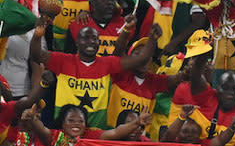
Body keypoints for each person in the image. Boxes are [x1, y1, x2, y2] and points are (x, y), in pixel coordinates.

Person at [31, 18, 161, 129]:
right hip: (63, 129)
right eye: (85, 38)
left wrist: (152, 40)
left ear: (99, 43)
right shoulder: (63, 61)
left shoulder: (107, 64)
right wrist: (37, 35)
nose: (91, 42)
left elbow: (141, 60)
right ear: (77, 42)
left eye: (94, 38)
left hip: (95, 134)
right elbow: (36, 55)